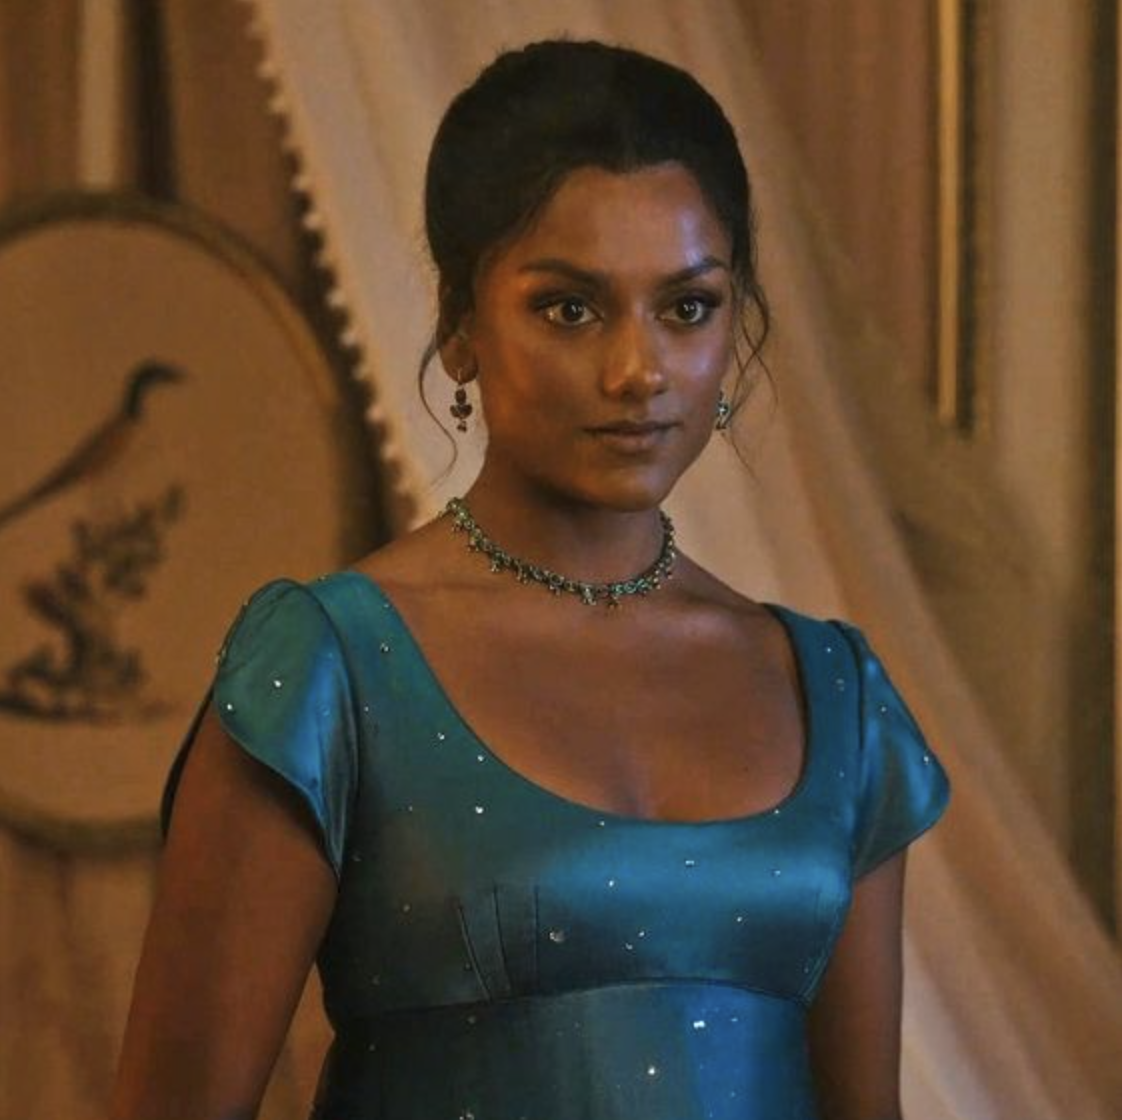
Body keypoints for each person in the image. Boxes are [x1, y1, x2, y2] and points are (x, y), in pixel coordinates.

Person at [110, 38, 950, 1120]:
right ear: (459, 327)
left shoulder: (833, 694)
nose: (638, 371)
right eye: (570, 308)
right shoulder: (329, 672)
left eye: (687, 307)